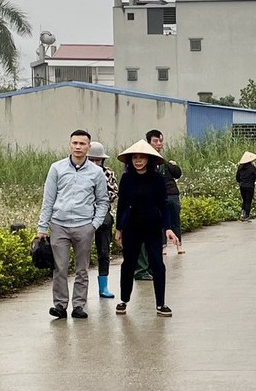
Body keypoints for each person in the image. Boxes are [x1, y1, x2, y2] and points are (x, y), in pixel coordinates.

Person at [39, 129, 108, 320]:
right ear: (70, 144)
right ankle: (60, 306)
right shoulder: (57, 168)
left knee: (82, 268)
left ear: (88, 147)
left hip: (84, 225)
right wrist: (42, 227)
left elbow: (103, 201)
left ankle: (79, 305)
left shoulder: (96, 172)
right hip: (59, 225)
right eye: (75, 143)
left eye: (82, 144)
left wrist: (94, 224)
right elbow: (48, 198)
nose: (78, 147)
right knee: (59, 267)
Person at [113, 139, 178, 317]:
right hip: (132, 227)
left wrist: (168, 228)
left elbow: (163, 204)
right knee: (129, 264)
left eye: (142, 157)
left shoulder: (157, 179)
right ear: (131, 160)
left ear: (148, 160)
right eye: (135, 158)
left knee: (157, 264)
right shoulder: (127, 179)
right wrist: (119, 229)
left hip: (152, 226)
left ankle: (160, 304)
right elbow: (122, 205)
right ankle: (123, 300)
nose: (138, 161)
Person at [149, 129, 186, 256]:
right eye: (155, 141)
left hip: (171, 194)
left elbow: (177, 174)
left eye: (160, 141)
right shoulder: (146, 161)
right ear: (149, 143)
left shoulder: (164, 162)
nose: (159, 143)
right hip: (156, 196)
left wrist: (172, 165)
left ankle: (179, 244)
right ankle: (162, 246)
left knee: (175, 219)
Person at [89, 141, 116, 298]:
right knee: (83, 253)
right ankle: (82, 287)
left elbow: (113, 193)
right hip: (83, 217)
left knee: (104, 252)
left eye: (97, 160)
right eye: (91, 160)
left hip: (103, 217)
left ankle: (103, 286)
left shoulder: (108, 173)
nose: (94, 163)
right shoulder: (79, 173)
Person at [235, 151, 256, 220]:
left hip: (242, 186)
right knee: (248, 201)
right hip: (250, 187)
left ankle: (242, 214)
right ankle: (246, 215)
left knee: (244, 200)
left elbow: (237, 178)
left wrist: (241, 182)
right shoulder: (252, 168)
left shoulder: (240, 168)